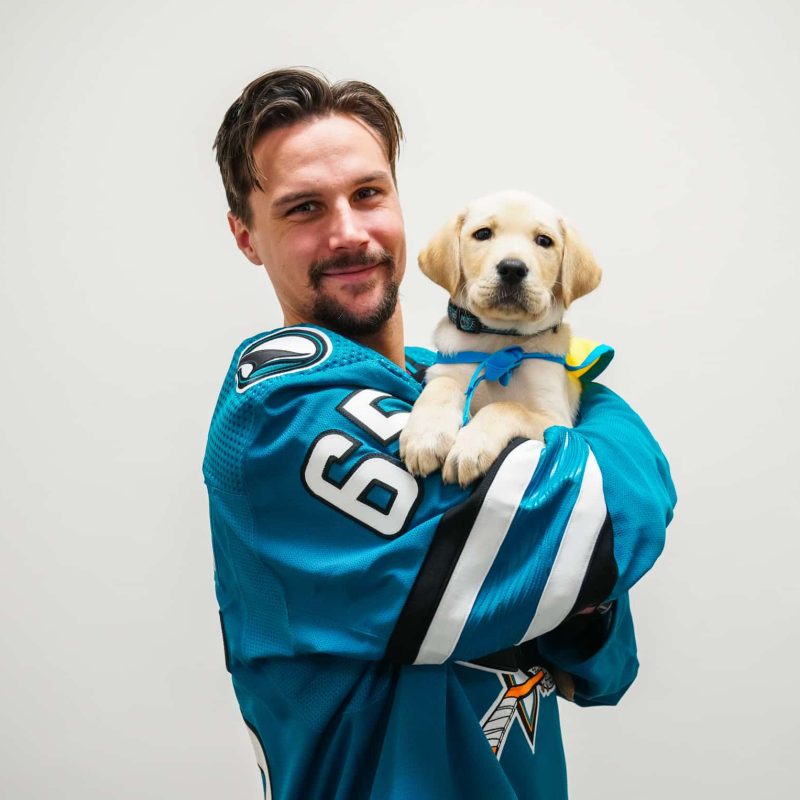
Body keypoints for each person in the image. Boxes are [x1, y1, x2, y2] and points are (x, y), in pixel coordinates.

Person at [203, 67, 676, 800]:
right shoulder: (281, 408)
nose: (350, 232)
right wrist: (604, 412)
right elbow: (599, 521)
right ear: (246, 236)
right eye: (303, 209)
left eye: (368, 193)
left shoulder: (442, 381)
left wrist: (572, 587)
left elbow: (602, 658)